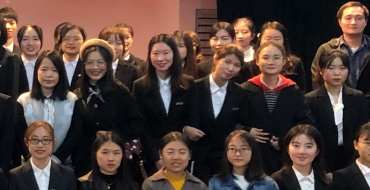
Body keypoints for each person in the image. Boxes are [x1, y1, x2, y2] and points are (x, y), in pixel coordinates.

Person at [74, 39, 144, 175]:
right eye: (89, 62)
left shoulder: (120, 91)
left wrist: (112, 135)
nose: (95, 67)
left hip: (115, 160)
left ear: (108, 64)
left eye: (100, 62)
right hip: (85, 160)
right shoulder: (78, 91)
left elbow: (136, 123)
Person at [185, 43, 251, 182]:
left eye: (236, 65)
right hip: (197, 155)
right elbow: (181, 117)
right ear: (216, 59)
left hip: (225, 157)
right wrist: (186, 129)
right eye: (227, 62)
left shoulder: (240, 93)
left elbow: (242, 123)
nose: (230, 68)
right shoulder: (194, 88)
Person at [241, 41, 311, 174]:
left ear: (284, 61)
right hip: (252, 156)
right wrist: (247, 131)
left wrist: (285, 141)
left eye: (276, 58)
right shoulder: (245, 89)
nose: (271, 62)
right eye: (265, 57)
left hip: (284, 158)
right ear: (257, 61)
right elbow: (232, 121)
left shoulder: (293, 91)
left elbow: (304, 123)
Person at [17, 49, 88, 168]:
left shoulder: (71, 100)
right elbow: (20, 134)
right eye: (44, 69)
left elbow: (74, 134)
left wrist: (56, 159)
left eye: (54, 70)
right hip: (30, 164)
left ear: (61, 73)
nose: (49, 75)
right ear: (36, 71)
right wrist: (34, 159)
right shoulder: (24, 100)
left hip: (63, 165)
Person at [133, 34, 192, 176]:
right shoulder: (140, 86)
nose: (160, 58)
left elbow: (192, 119)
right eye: (155, 53)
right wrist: (156, 157)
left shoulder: (188, 84)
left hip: (181, 155)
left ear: (174, 54)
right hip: (152, 156)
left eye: (166, 53)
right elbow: (142, 125)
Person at [303, 49, 370, 174]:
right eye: (331, 68)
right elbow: (310, 134)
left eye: (342, 68)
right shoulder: (310, 100)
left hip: (352, 158)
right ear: (321, 71)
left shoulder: (357, 98)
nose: (337, 73)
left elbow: (363, 130)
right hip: (321, 159)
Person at [310, 1, 370, 96]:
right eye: (348, 18)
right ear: (339, 21)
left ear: (366, 21)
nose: (353, 22)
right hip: (334, 101)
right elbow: (317, 80)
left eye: (359, 18)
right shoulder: (327, 49)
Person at [8, 24, 45, 99]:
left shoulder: (46, 65)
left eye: (35, 39)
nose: (30, 43)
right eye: (25, 39)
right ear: (19, 41)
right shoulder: (12, 65)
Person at [54, 22, 87, 90]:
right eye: (66, 39)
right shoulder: (54, 63)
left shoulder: (87, 64)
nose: (71, 42)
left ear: (83, 41)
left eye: (76, 39)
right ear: (60, 42)